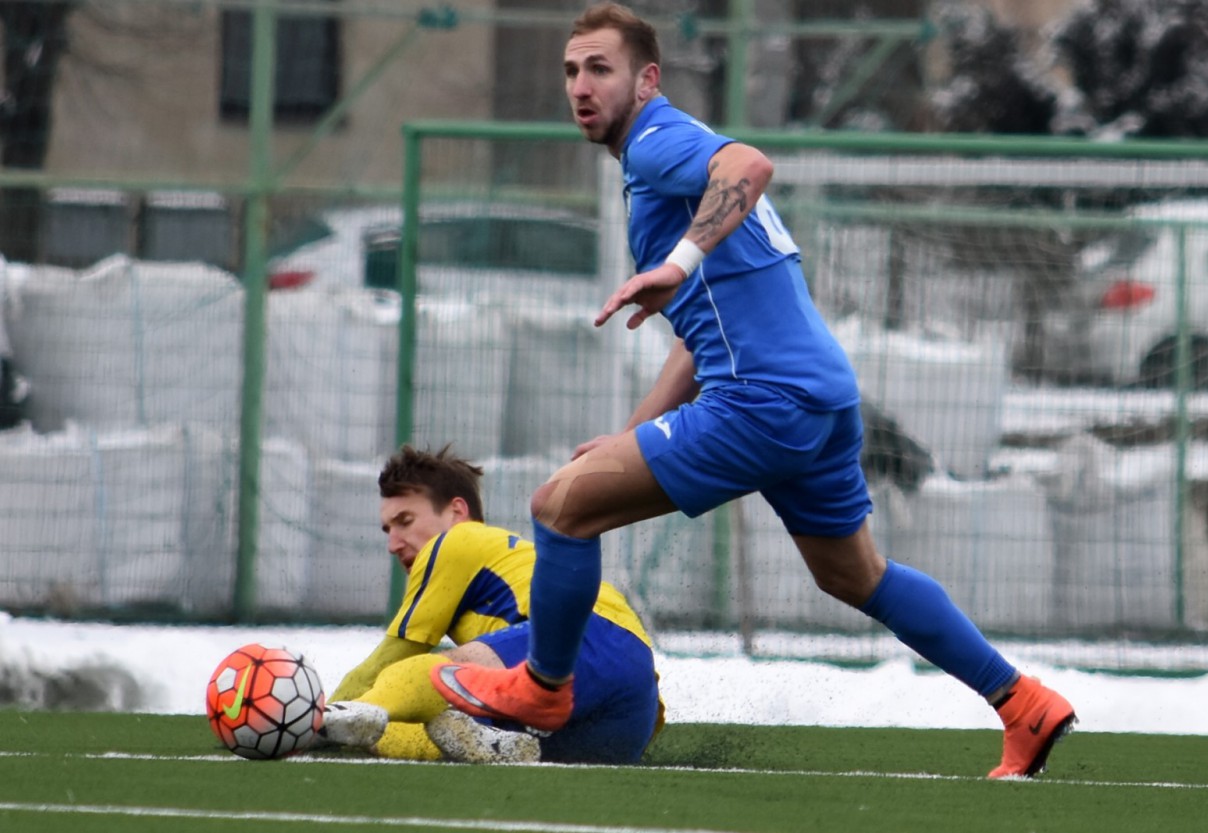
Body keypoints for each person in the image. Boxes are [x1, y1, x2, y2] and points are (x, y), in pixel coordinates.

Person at [432, 2, 1076, 779]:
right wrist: (631, 430)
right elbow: (702, 334)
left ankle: (542, 688)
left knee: (559, 507)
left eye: (599, 68)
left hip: (760, 401)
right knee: (854, 574)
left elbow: (750, 166)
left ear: (648, 80)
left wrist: (676, 262)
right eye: (571, 70)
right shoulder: (668, 166)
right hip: (820, 398)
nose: (580, 85)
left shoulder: (659, 141)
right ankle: (1021, 701)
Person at [319, 444, 662, 765]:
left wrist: (314, 721)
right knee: (429, 726)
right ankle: (492, 743)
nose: (393, 544)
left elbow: (388, 659)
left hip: (586, 639)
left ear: (457, 511)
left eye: (405, 521)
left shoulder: (456, 540)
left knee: (417, 674)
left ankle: (323, 727)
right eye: (388, 530)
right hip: (631, 710)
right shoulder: (506, 557)